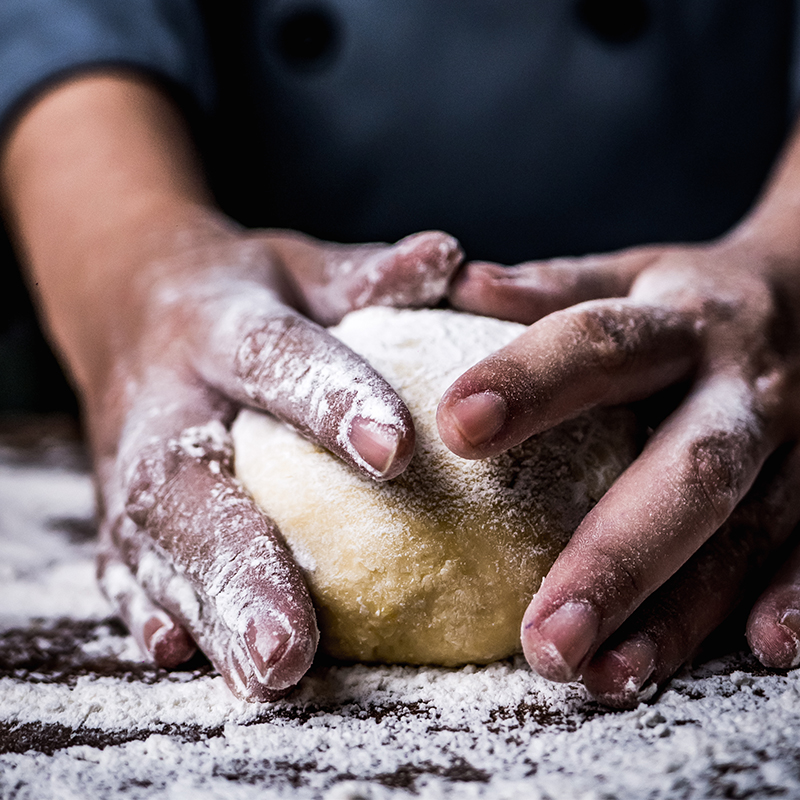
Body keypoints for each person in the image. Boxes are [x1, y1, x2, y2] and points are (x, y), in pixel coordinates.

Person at [1, 0, 800, 708]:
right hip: (270, 311)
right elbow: (58, 22)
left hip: (704, 326)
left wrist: (786, 276)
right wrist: (143, 266)